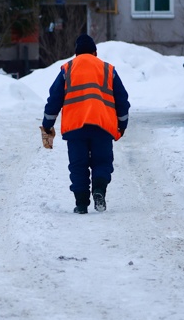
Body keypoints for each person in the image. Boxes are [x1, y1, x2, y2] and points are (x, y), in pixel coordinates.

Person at [40, 33, 129, 214]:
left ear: (76, 53)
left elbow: (54, 100)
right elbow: (122, 99)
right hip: (102, 125)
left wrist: (47, 125)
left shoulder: (67, 69)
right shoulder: (108, 69)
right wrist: (122, 124)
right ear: (95, 52)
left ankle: (81, 204)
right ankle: (99, 191)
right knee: (102, 161)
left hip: (75, 127)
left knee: (78, 164)